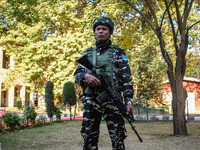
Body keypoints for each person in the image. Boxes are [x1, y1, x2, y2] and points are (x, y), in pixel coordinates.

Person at [74, 17, 134, 150]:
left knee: (118, 137)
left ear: (110, 32)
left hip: (112, 100)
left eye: (104, 29)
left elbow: (126, 78)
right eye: (98, 29)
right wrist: (85, 76)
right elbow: (76, 75)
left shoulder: (118, 53)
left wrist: (129, 100)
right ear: (95, 32)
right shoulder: (87, 54)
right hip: (91, 100)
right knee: (89, 137)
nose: (100, 31)